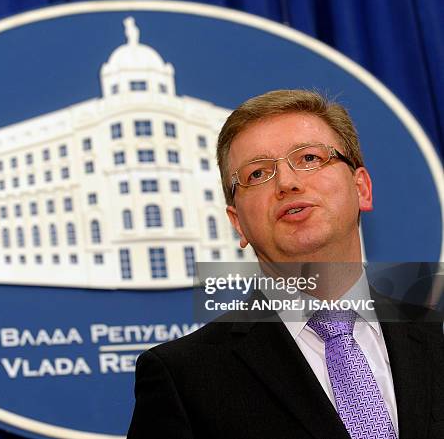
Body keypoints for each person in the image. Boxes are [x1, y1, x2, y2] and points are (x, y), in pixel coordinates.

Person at [127, 90, 444, 439]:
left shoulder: (434, 336)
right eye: (258, 174)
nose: (287, 183)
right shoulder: (182, 377)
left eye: (309, 158)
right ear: (238, 223)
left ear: (362, 189)